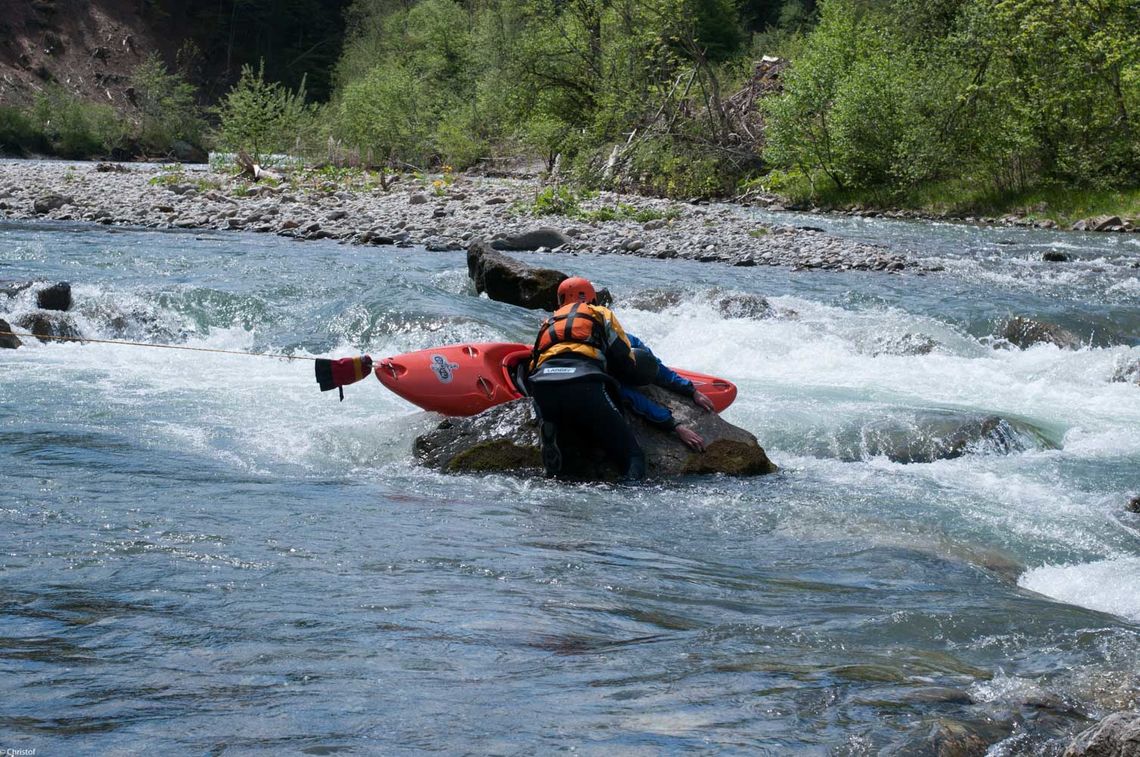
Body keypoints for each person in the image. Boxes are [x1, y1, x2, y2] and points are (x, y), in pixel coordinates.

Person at [527, 276, 646, 480]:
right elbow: (623, 355)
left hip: (543, 386)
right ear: (590, 296)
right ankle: (629, 495)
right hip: (584, 383)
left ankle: (550, 423)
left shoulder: (549, 321)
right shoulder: (601, 313)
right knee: (633, 456)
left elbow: (533, 365)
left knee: (560, 417)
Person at [619, 335, 713, 452]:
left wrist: (692, 391)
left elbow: (660, 369)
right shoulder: (607, 374)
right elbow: (638, 402)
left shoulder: (630, 340)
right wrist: (676, 426)